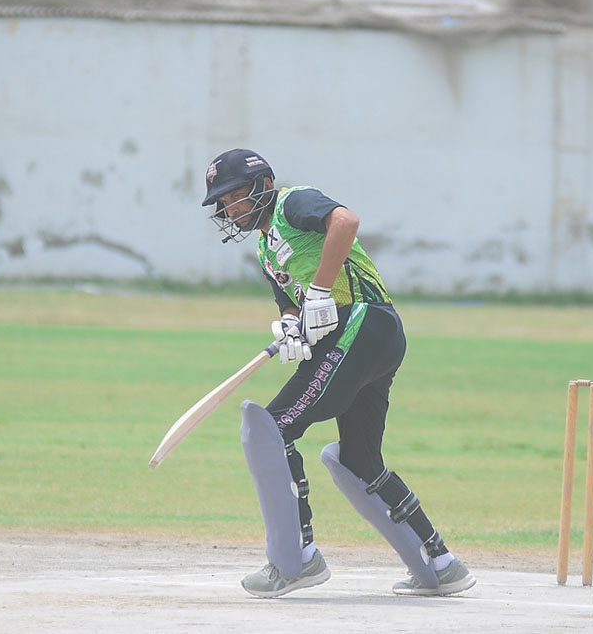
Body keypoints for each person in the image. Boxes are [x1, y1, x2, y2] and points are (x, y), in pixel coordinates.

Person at [201, 148, 476, 599]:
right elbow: (290, 303)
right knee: (358, 460)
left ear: (263, 185)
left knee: (272, 430)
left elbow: (345, 222)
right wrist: (290, 324)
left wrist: (319, 291)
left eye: (235, 196)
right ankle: (441, 564)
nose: (231, 209)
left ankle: (298, 557)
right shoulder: (266, 249)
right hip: (373, 335)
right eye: (224, 202)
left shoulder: (292, 202)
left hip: (362, 321)